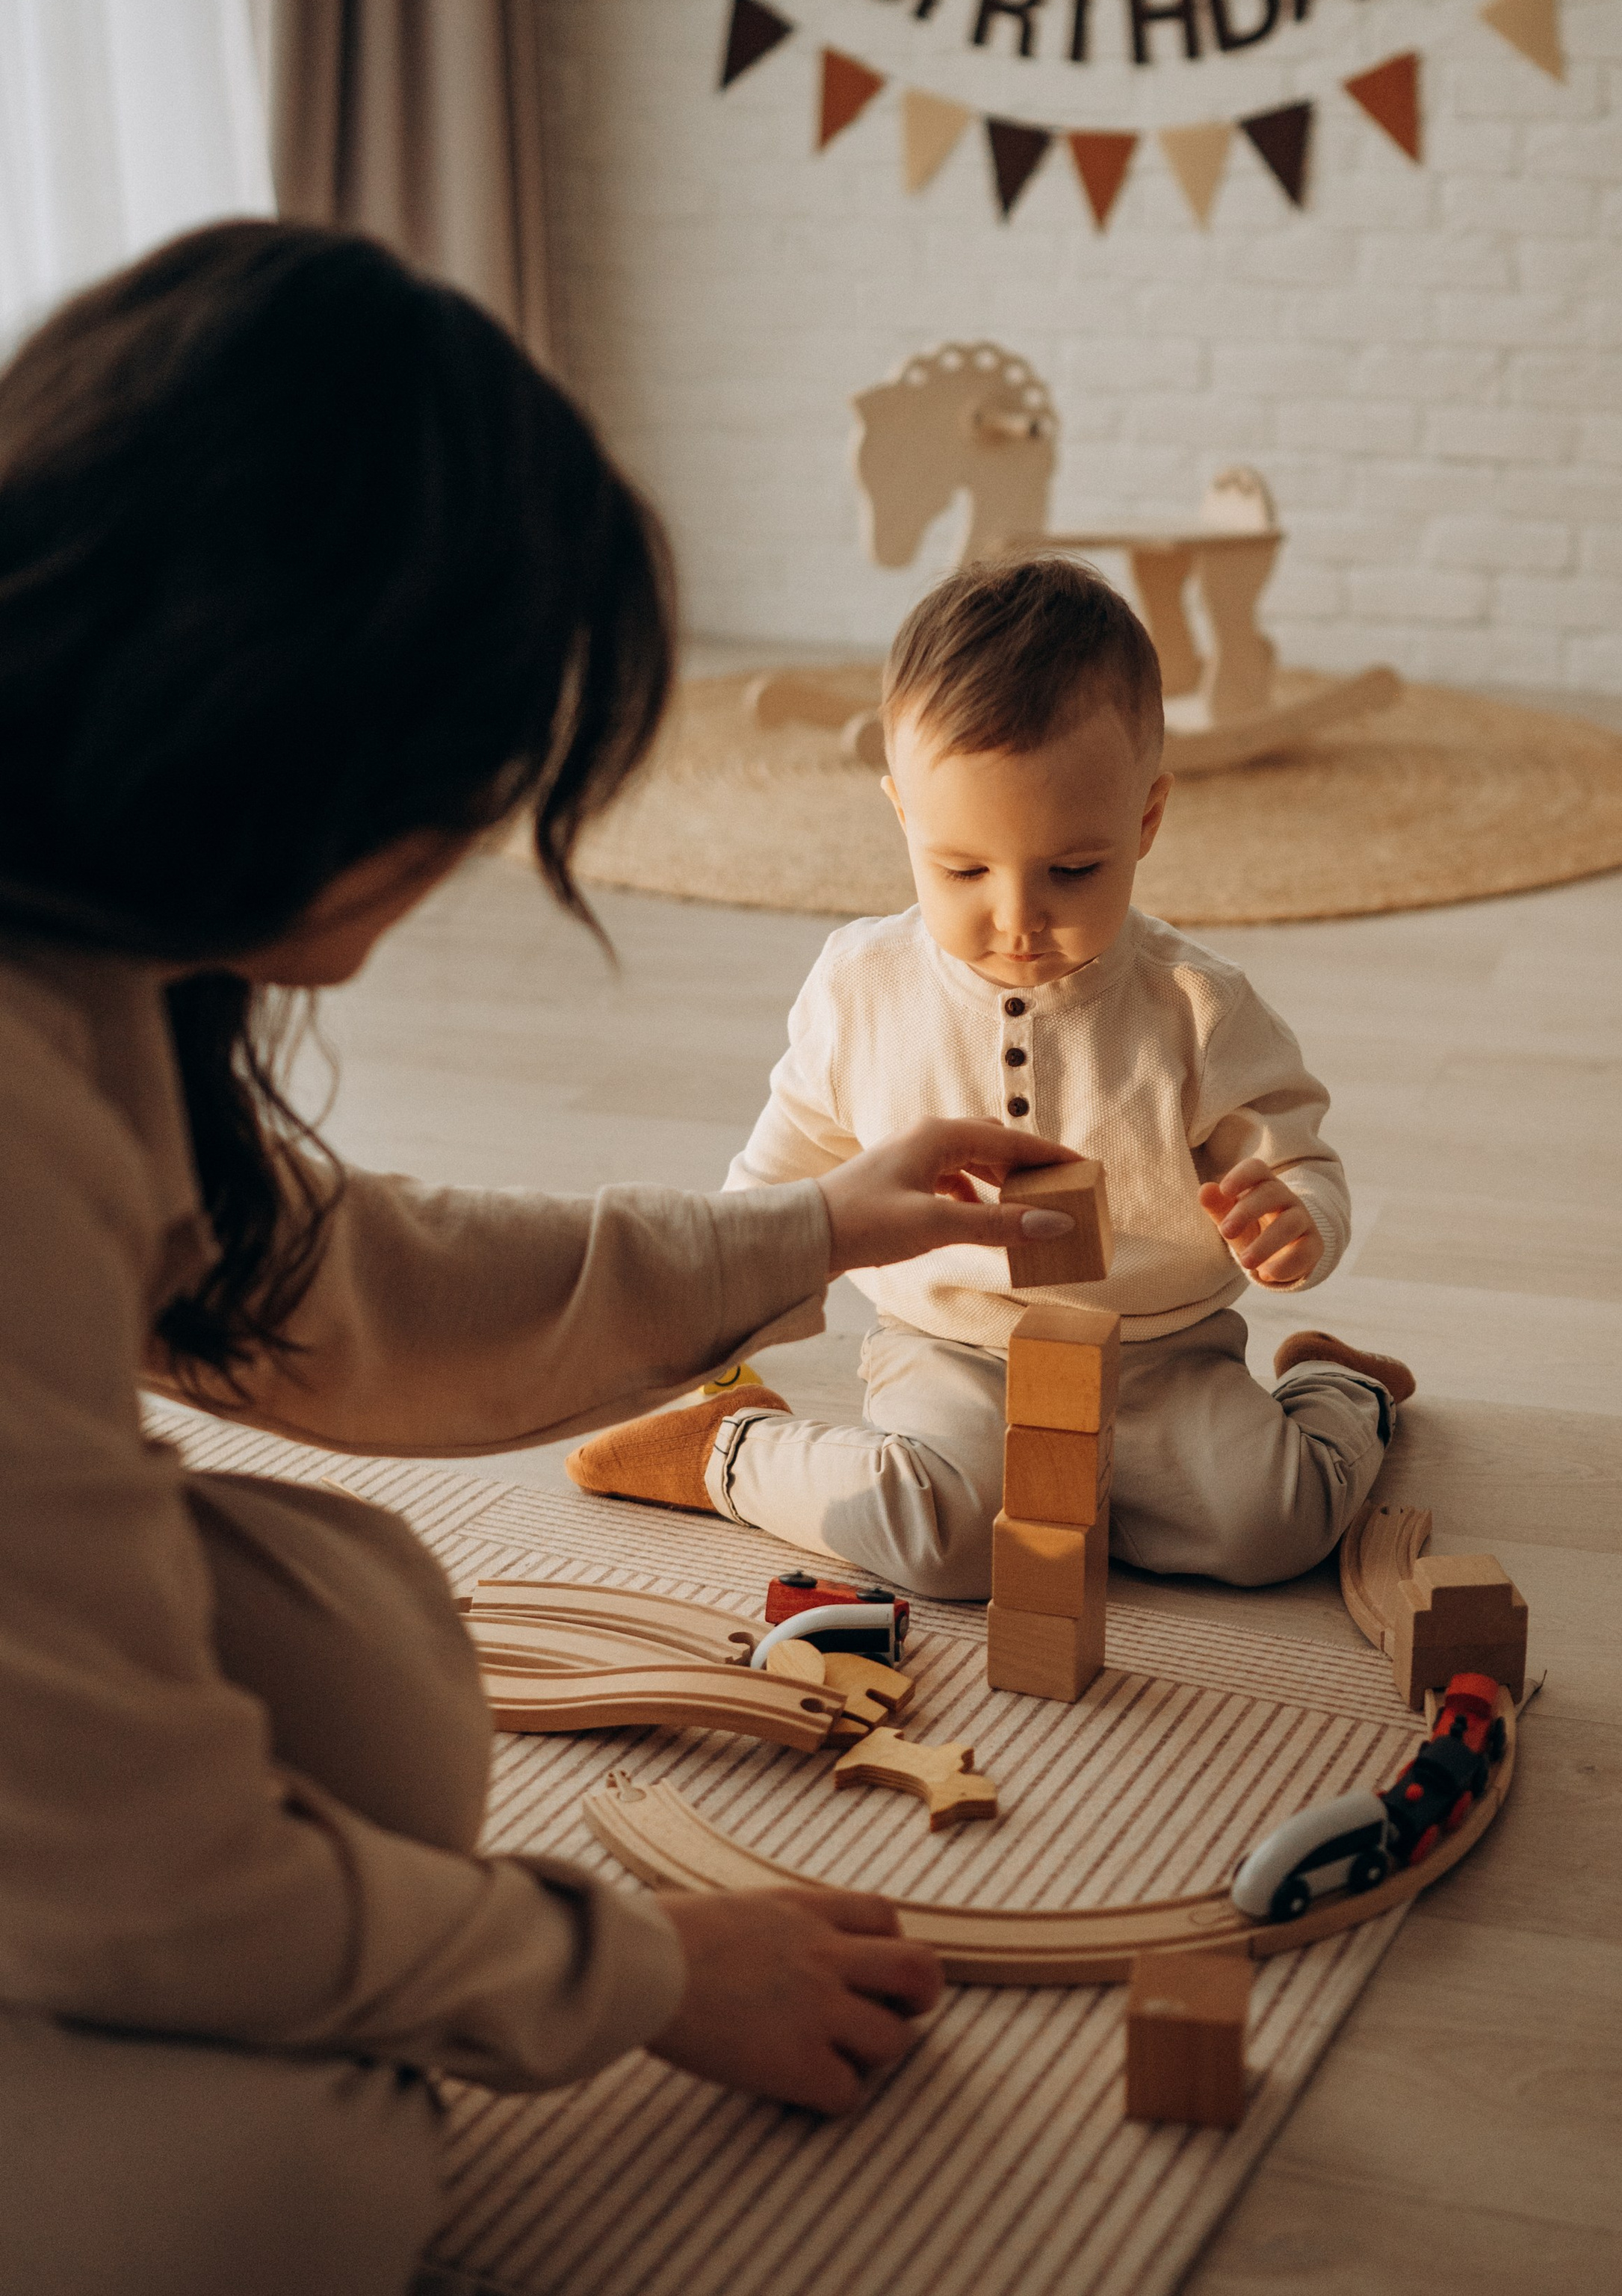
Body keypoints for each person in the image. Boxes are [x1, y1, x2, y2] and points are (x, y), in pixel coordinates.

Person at [0, 222, 1080, 2296]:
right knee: (298, 2190)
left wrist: (817, 1231)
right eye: (480, 776)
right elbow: (155, 1884)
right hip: (100, 1884)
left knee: (381, 1658)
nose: (487, 828)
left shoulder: (82, 946)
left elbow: (315, 1284)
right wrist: (637, 1968)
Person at [572, 556, 1416, 1598]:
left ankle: (1339, 1389)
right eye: (963, 869)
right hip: (951, 1347)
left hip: (1157, 1351)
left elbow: (1293, 1152)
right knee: (949, 1543)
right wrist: (719, 1297)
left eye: (1073, 869)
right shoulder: (860, 986)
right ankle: (727, 1454)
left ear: (1146, 820)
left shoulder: (1196, 1005)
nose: (1017, 916)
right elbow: (784, 1168)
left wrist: (1297, 1219)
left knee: (1269, 1528)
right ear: (903, 816)